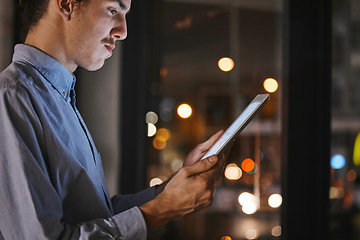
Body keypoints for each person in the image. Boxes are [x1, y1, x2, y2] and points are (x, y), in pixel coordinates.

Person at [0, 0, 228, 239]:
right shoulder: (12, 98)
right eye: (113, 10)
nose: (123, 31)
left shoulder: (58, 96)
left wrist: (171, 191)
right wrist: (163, 209)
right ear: (66, 4)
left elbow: (95, 215)